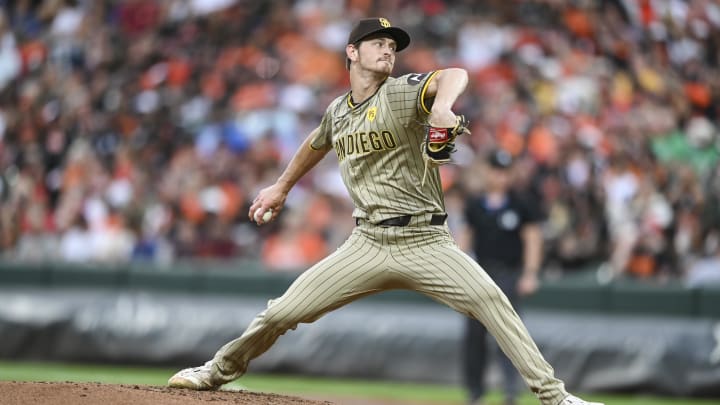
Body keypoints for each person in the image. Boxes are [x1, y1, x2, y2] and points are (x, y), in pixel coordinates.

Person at [167, 18, 603, 405]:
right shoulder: (338, 111)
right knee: (282, 311)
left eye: (393, 46)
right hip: (368, 242)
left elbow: (454, 74)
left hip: (426, 241)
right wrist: (282, 185)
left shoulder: (399, 94)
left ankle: (556, 397)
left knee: (491, 300)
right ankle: (215, 372)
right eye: (378, 43)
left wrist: (445, 106)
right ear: (352, 52)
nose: (389, 50)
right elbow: (317, 143)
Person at [462, 149, 543, 405]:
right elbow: (464, 238)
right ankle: (476, 392)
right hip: (480, 273)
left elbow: (532, 239)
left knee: (508, 334)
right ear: (487, 172)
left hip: (509, 274)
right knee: (474, 336)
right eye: (497, 171)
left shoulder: (521, 204)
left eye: (505, 172)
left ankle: (510, 391)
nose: (501, 177)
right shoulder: (475, 205)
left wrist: (530, 273)